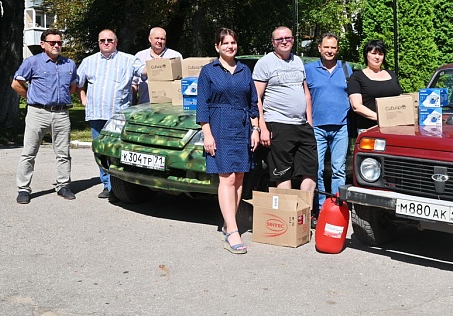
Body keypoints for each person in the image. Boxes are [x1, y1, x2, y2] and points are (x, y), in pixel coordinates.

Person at [197, 28, 260, 254]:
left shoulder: (244, 70)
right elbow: (202, 105)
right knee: (227, 177)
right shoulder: (208, 71)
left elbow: (253, 102)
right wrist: (207, 133)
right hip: (219, 125)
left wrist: (255, 128)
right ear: (217, 47)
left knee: (240, 176)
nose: (230, 46)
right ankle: (233, 231)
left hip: (242, 127)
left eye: (233, 43)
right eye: (225, 43)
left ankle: (228, 223)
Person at [12, 29, 79, 204]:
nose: (57, 45)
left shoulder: (69, 64)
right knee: (29, 152)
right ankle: (23, 189)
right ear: (43, 44)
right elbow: (16, 83)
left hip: (61, 114)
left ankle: (63, 185)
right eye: (52, 42)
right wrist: (31, 97)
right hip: (38, 113)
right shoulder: (32, 62)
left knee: (63, 153)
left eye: (59, 42)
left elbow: (72, 86)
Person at [77, 29, 144, 200]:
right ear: (98, 42)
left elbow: (145, 72)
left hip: (118, 116)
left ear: (116, 42)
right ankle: (107, 185)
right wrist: (83, 99)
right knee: (101, 150)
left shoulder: (129, 60)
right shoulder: (88, 61)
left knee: (119, 151)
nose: (106, 43)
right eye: (102, 40)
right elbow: (78, 83)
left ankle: (120, 185)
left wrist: (161, 67)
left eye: (110, 40)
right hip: (96, 114)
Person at [253, 26, 318, 194]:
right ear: (273, 43)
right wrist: (262, 129)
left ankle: (304, 214)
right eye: (279, 39)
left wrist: (309, 123)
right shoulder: (265, 63)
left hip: (302, 125)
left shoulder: (297, 61)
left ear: (293, 40)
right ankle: (286, 216)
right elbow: (255, 98)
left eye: (287, 38)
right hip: (278, 123)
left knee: (309, 171)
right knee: (282, 174)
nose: (284, 42)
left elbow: (306, 94)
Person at [305, 33, 352, 211]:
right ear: (319, 48)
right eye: (326, 47)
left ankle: (337, 207)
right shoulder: (308, 69)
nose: (330, 51)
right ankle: (322, 207)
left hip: (341, 127)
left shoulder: (346, 69)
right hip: (316, 127)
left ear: (337, 49)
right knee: (316, 169)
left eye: (333, 47)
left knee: (339, 170)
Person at [348, 40, 402, 134]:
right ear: (366, 55)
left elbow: (400, 100)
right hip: (369, 129)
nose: (377, 57)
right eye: (373, 53)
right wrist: (381, 118)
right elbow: (356, 106)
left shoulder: (391, 74)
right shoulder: (357, 77)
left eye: (380, 54)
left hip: (395, 128)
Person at [133, 27, 183, 104]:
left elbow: (181, 81)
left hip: (170, 105)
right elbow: (134, 84)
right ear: (150, 39)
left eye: (162, 39)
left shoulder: (175, 56)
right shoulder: (140, 56)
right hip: (145, 105)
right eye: (157, 38)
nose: (159, 41)